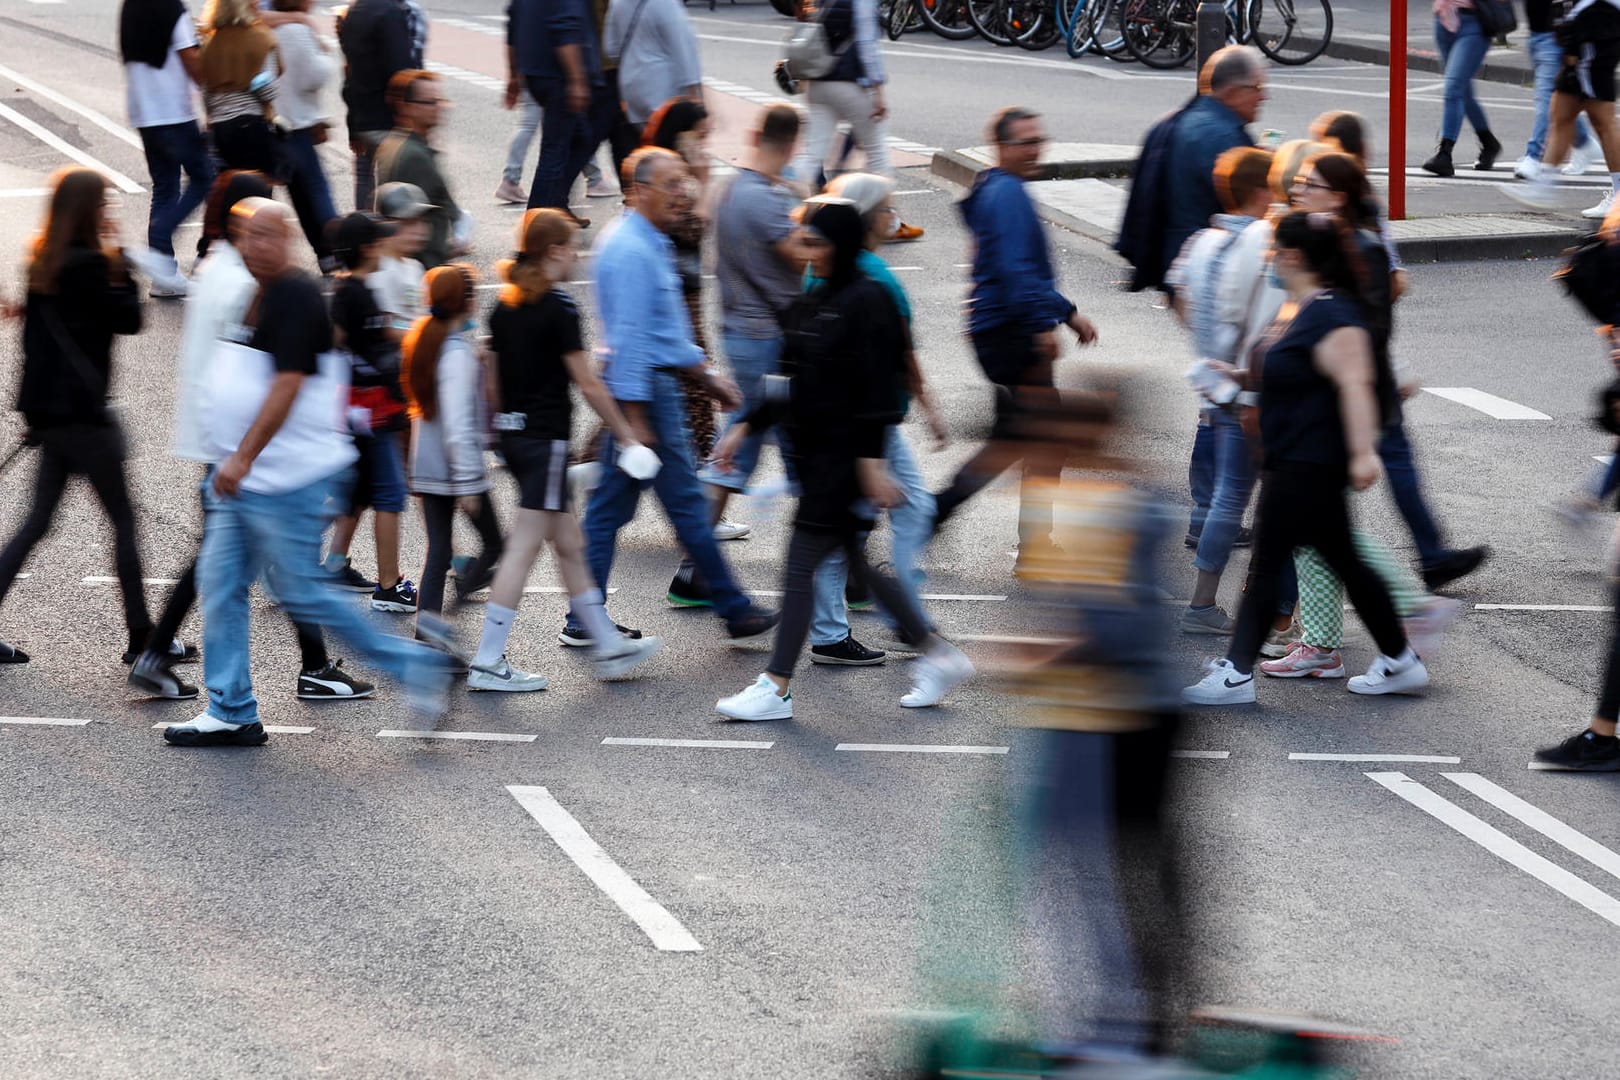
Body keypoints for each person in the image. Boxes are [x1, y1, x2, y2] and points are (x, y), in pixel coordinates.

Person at [162, 198, 448, 748]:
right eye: (246, 234)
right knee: (222, 585)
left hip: (284, 478)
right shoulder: (259, 293)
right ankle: (231, 708)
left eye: (266, 235)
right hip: (247, 478)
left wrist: (242, 456)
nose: (254, 244)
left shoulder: (292, 295)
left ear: (287, 239)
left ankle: (415, 668)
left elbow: (288, 386)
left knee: (301, 592)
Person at [712, 199, 972, 721]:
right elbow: (784, 382)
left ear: (841, 245)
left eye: (815, 242)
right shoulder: (810, 301)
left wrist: (872, 463)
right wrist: (745, 425)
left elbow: (880, 387)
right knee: (853, 562)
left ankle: (776, 685)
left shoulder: (867, 299)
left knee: (801, 564)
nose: (805, 251)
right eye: (804, 241)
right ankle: (937, 653)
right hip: (818, 458)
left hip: (846, 460)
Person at [130, 171, 372, 702]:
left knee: (225, 561)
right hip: (249, 446)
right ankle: (320, 668)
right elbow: (279, 373)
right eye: (264, 227)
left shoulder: (213, 266)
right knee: (279, 564)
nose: (275, 240)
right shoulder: (248, 282)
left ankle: (168, 657)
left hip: (223, 437)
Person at [1183, 212, 1428, 706]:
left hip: (1309, 462)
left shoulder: (1335, 314)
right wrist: (1234, 375)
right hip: (1293, 458)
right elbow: (1292, 373)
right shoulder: (1304, 306)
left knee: (1267, 565)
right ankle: (1400, 659)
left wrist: (1361, 454)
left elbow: (1356, 385)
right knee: (1346, 563)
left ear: (1293, 255)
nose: (1269, 258)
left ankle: (1235, 673)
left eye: (1274, 249)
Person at [581, 147, 779, 644]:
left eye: (685, 182)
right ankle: (733, 607)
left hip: (651, 385)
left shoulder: (647, 240)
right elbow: (628, 341)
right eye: (671, 184)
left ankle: (583, 616)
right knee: (685, 504)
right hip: (645, 392)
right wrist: (635, 424)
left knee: (610, 509)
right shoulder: (631, 248)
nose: (683, 193)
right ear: (638, 190)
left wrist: (707, 377)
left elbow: (661, 331)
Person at [476, 208, 664, 681]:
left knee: (571, 546)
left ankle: (607, 645)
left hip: (516, 440)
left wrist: (505, 433)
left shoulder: (503, 305)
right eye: (573, 247)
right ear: (554, 251)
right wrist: (624, 434)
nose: (577, 255)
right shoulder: (560, 308)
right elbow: (589, 384)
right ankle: (487, 660)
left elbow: (492, 383)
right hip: (546, 441)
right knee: (523, 549)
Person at [0, 169, 161, 669]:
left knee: (36, 524)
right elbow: (130, 319)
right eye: (104, 205)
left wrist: (34, 412)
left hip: (54, 416)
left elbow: (35, 346)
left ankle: (144, 634)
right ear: (89, 210)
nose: (109, 212)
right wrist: (123, 264)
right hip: (87, 420)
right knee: (123, 523)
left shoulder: (42, 260)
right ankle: (141, 637)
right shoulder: (92, 264)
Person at [932, 107, 1099, 569]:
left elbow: (1018, 268)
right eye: (1026, 142)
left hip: (998, 327)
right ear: (1002, 147)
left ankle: (944, 510)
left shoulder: (998, 187)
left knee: (1022, 434)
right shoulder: (1007, 194)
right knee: (1043, 435)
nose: (1035, 149)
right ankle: (1029, 542)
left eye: (1038, 140)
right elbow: (1014, 270)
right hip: (1010, 331)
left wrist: (1066, 312)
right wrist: (1042, 325)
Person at [809, 172, 950, 659]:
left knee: (839, 529)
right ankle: (906, 621)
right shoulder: (879, 280)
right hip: (868, 424)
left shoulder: (819, 267)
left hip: (836, 422)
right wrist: (929, 408)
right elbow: (901, 354)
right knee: (902, 513)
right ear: (870, 219)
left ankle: (842, 629)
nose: (895, 217)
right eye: (890, 209)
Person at [1166, 146, 1298, 653]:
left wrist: (1206, 347)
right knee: (1272, 505)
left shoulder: (1202, 240)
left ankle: (1217, 603)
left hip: (1215, 383)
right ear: (1263, 189)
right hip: (1252, 387)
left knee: (1228, 497)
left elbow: (1176, 293)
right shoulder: (1264, 242)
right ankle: (1267, 614)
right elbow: (1268, 317)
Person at [687, 104, 806, 573]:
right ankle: (838, 571)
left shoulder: (732, 188)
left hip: (742, 332)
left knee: (739, 450)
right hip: (768, 340)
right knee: (783, 452)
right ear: (792, 144)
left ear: (757, 134)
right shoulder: (768, 200)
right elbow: (803, 258)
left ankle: (693, 569)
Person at [400, 264, 506, 664]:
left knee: (439, 550)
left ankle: (426, 639)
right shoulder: (455, 352)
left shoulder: (427, 337)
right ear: (466, 301)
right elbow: (459, 424)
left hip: (426, 462)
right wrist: (467, 485)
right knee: (497, 544)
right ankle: (449, 616)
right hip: (454, 468)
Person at [327, 211, 418, 614]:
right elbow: (352, 343)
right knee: (389, 495)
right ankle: (388, 585)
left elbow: (372, 335)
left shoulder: (350, 289)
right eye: (380, 242)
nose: (385, 247)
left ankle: (314, 566)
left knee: (355, 495)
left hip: (362, 409)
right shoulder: (355, 294)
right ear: (367, 249)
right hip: (372, 411)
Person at [786, 0, 923, 241]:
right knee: (877, 151)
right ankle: (890, 221)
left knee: (812, 154)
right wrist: (877, 89)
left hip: (818, 80)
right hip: (849, 83)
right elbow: (866, 45)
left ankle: (788, 211)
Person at [120, 0, 214, 299]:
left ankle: (164, 275)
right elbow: (192, 60)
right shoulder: (172, 8)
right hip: (174, 113)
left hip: (144, 113)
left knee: (165, 187)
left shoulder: (132, 7)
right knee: (204, 177)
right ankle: (161, 246)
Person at [1160, 46, 1265, 282]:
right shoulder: (1227, 138)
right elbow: (1244, 207)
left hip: (1180, 255)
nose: (1263, 96)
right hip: (1208, 264)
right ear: (1235, 90)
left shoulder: (1187, 118)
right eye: (1257, 88)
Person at [1509, 0, 1620, 219]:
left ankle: (1617, 196)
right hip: (1587, 20)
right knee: (1561, 113)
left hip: (1598, 19)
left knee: (1602, 119)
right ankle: (1543, 187)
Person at [509, 0, 607, 223]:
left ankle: (557, 207)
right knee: (554, 152)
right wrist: (577, 79)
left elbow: (513, 23)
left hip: (536, 73)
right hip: (558, 75)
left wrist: (513, 73)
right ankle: (535, 229)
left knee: (582, 137)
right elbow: (566, 27)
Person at [269, 0, 339, 273]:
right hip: (297, 124)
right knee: (315, 192)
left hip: (274, 120)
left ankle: (325, 253)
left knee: (299, 195)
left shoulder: (269, 27)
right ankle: (335, 250)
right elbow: (314, 76)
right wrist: (327, 51)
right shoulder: (297, 31)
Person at [338, 0, 424, 211]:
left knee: (364, 181)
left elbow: (349, 73)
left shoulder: (352, 11)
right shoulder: (390, 12)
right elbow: (401, 71)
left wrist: (352, 125)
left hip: (361, 117)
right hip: (388, 119)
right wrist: (411, 116)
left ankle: (362, 238)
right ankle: (390, 238)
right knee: (396, 192)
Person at [374, 70, 466, 270]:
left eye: (439, 101)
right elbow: (410, 226)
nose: (439, 108)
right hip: (422, 271)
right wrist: (445, 250)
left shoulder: (394, 142)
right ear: (406, 107)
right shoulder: (415, 157)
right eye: (430, 102)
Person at [1517, 0, 1599, 180]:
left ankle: (1534, 156)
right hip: (1536, 35)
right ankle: (1584, 142)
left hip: (1554, 36)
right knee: (1558, 102)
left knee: (1545, 98)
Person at [603, 0, 702, 146]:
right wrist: (695, 94)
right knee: (671, 147)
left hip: (631, 86)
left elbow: (610, 48)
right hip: (663, 87)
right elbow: (683, 47)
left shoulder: (617, 3)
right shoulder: (665, 3)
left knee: (647, 145)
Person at [197, 0, 279, 175]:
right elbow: (266, 87)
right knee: (257, 192)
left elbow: (205, 91)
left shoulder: (210, 43)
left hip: (221, 128)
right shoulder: (260, 38)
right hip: (251, 124)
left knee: (230, 188)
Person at [1422, 0, 1502, 177]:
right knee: (1463, 92)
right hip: (1443, 19)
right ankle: (1488, 142)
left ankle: (1445, 153)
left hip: (1474, 22)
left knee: (1454, 88)